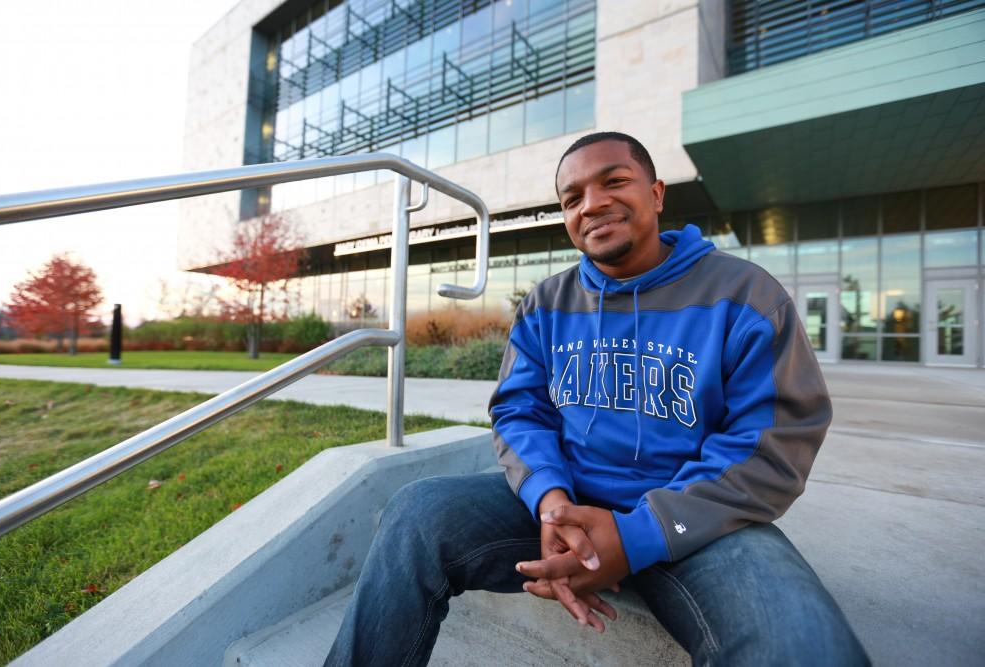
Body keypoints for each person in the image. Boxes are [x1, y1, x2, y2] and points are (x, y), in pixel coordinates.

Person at [325, 131, 869, 666]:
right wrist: (551, 501)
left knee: (804, 645)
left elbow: (773, 443)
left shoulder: (746, 295)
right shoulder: (546, 303)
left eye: (614, 181)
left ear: (656, 194)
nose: (593, 204)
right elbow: (519, 411)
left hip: (695, 522)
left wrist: (637, 535)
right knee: (417, 511)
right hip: (565, 510)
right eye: (573, 198)